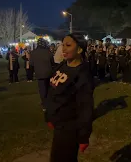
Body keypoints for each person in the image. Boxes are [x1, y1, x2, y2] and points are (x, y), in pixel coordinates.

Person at [46, 33, 94, 162]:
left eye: (68, 45)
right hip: (58, 124)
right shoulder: (62, 66)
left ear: (79, 49)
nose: (63, 49)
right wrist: (50, 115)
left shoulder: (82, 75)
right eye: (62, 45)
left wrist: (83, 136)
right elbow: (52, 92)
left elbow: (85, 108)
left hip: (70, 128)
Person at [30, 38, 54, 109]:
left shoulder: (33, 52)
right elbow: (52, 62)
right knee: (48, 88)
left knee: (42, 89)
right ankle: (48, 102)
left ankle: (44, 105)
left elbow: (31, 64)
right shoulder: (48, 51)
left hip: (39, 73)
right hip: (49, 72)